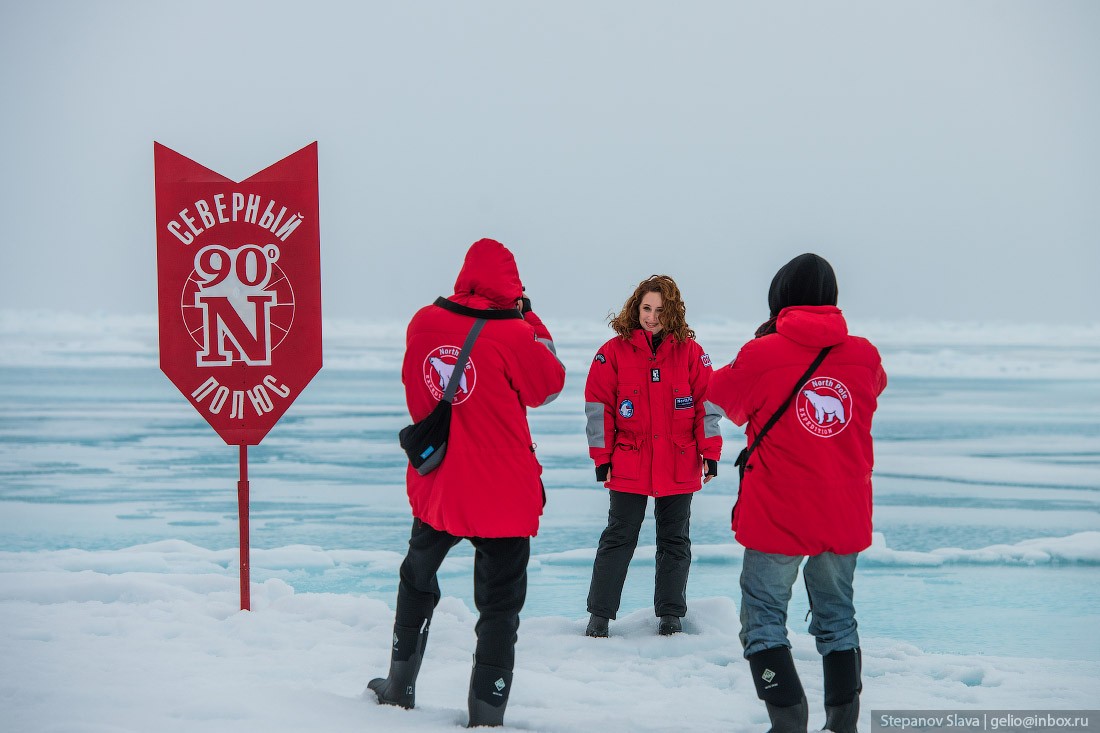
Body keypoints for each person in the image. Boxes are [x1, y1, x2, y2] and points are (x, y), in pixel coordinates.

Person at [368, 238, 566, 728]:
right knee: (499, 606)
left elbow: (414, 382)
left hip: (440, 483)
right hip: (502, 493)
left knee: (417, 576)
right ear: (512, 286)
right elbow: (549, 384)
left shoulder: (424, 322)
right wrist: (530, 317)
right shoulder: (518, 335)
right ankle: (487, 711)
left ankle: (399, 684)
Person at [705, 253, 887, 733]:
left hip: (778, 515)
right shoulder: (865, 354)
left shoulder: (761, 355)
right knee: (837, 618)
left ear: (779, 296)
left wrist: (763, 346)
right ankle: (842, 724)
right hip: (843, 513)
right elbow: (874, 386)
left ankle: (788, 723)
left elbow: (714, 393)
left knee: (763, 620)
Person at [582, 274, 722, 638]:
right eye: (646, 308)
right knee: (619, 535)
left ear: (672, 311)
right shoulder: (612, 352)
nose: (652, 316)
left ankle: (671, 616)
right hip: (629, 459)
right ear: (636, 307)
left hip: (679, 460)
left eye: (660, 309)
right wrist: (602, 457)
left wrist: (710, 454)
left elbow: (707, 407)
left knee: (675, 539)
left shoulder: (691, 353)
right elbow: (599, 409)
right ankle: (599, 616)